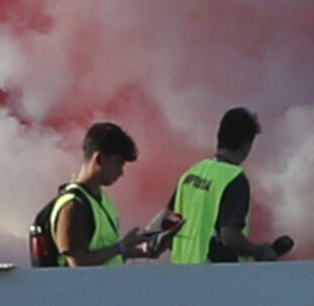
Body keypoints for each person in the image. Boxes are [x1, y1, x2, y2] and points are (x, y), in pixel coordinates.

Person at [168, 107, 294, 263]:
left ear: (219, 137)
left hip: (181, 275)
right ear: (247, 145)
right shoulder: (234, 180)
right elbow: (230, 237)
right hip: (217, 280)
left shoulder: (191, 174)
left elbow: (167, 223)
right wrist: (259, 251)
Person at [47, 122, 173, 266]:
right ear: (100, 158)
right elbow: (78, 262)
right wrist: (122, 246)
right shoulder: (73, 205)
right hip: (86, 289)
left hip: (104, 287)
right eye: (117, 164)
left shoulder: (101, 200)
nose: (121, 172)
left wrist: (142, 251)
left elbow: (105, 253)